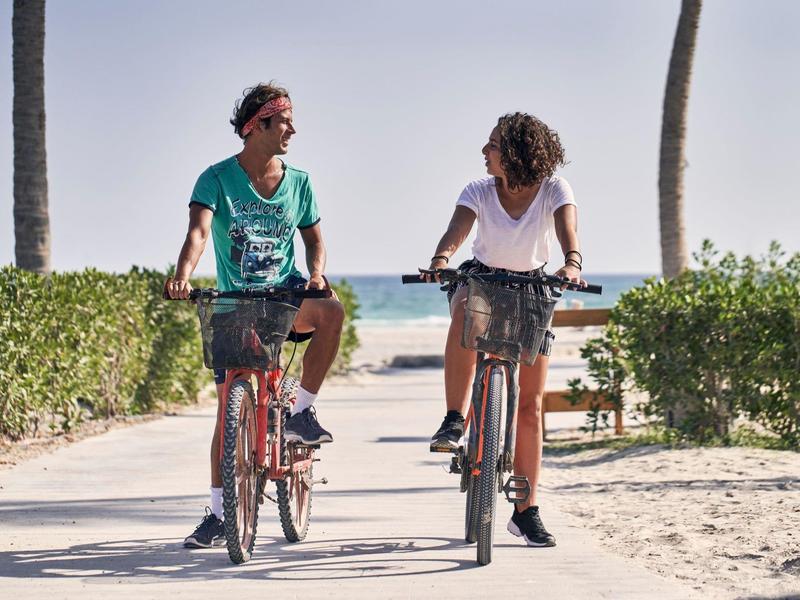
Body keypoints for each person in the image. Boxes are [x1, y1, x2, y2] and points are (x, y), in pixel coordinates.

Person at [166, 82, 345, 548]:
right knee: (228, 412)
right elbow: (199, 234)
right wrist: (182, 274)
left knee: (331, 312)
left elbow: (314, 241)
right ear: (257, 125)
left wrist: (317, 274)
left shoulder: (300, 182)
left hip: (285, 297)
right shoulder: (216, 178)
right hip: (234, 302)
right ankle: (219, 514)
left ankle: (302, 411)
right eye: (284, 121)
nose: (292, 128)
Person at [425, 112, 586, 548]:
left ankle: (525, 510)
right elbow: (456, 232)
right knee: (463, 310)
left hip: (533, 287)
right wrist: (441, 260)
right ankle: (455, 419)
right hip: (484, 279)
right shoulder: (478, 190)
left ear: (515, 152)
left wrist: (572, 265)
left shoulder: (554, 189)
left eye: (493, 144)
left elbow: (568, 234)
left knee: (531, 405)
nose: (484, 151)